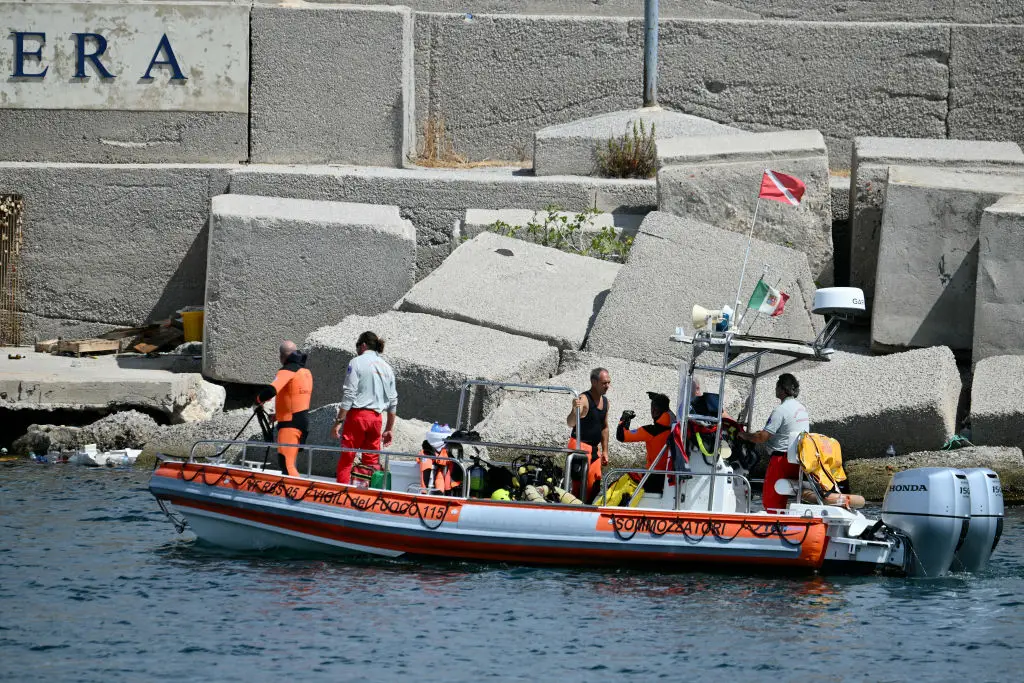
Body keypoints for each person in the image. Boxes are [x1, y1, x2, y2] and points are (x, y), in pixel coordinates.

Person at [331, 331, 398, 485]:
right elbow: (393, 401)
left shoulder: (356, 362)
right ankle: (370, 496)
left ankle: (342, 493)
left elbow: (349, 394)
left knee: (347, 459)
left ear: (363, 345)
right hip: (376, 419)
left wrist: (338, 422)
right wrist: (389, 428)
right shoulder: (387, 368)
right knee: (372, 462)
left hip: (358, 416)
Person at [737, 373, 809, 511]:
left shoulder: (780, 410)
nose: (775, 389)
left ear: (782, 389)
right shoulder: (801, 408)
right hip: (798, 461)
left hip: (781, 460)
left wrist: (745, 435)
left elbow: (762, 437)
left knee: (772, 499)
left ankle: (773, 524)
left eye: (777, 386)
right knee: (785, 495)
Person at [256, 341, 313, 477]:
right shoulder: (305, 372)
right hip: (300, 421)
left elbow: (271, 390)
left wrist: (258, 400)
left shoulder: (287, 370)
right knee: (290, 462)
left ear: (281, 356)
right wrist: (277, 415)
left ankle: (296, 494)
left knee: (286, 464)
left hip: (290, 424)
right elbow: (295, 399)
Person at [616, 392, 674, 495]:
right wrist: (659, 399)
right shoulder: (675, 425)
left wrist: (624, 420)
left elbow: (621, 436)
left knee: (621, 482)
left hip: (653, 477)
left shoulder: (651, 431)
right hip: (669, 476)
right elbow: (668, 411)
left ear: (654, 410)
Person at [566, 367, 610, 502]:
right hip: (580, 446)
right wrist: (574, 411)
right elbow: (570, 423)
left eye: (609, 382)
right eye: (604, 383)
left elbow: (605, 428)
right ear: (594, 382)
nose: (607, 386)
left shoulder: (606, 402)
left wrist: (605, 451)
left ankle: (589, 509)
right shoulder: (584, 399)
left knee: (595, 485)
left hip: (594, 450)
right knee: (577, 486)